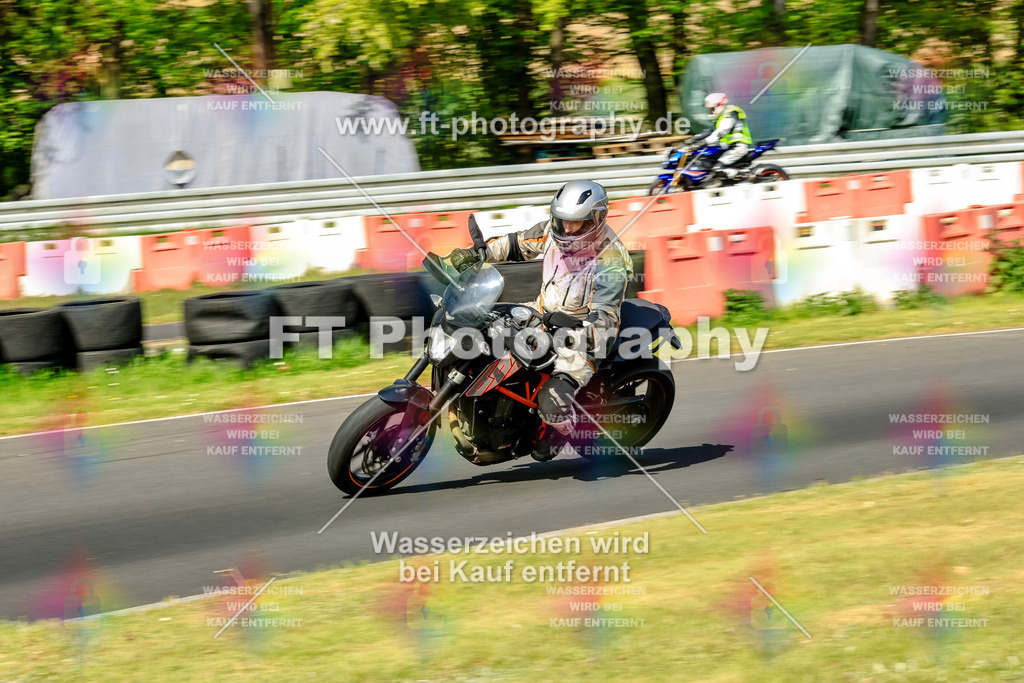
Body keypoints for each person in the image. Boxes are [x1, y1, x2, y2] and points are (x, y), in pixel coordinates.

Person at [448, 180, 633, 461]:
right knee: (483, 330)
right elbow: (517, 244)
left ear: (597, 219)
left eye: (577, 223)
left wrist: (573, 333)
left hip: (581, 334)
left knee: (551, 400)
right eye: (562, 221)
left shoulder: (611, 261)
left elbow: (606, 319)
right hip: (542, 312)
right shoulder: (553, 231)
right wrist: (480, 253)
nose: (567, 229)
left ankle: (561, 430)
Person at [687, 92, 753, 179]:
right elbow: (708, 131)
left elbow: (719, 133)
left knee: (718, 168)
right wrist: (692, 140)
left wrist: (701, 143)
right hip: (728, 148)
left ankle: (747, 178)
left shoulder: (729, 116)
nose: (710, 111)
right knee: (708, 163)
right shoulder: (721, 118)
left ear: (718, 105)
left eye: (711, 109)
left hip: (738, 147)